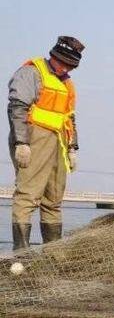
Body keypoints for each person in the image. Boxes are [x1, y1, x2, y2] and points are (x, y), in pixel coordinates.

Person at [7, 36, 85, 250]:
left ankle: (54, 254)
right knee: (28, 195)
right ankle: (21, 253)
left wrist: (72, 147)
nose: (65, 69)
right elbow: (17, 107)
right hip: (34, 138)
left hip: (58, 141)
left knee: (53, 199)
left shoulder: (68, 84)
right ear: (54, 56)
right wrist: (21, 142)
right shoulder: (32, 72)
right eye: (63, 63)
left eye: (71, 66)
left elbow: (69, 118)